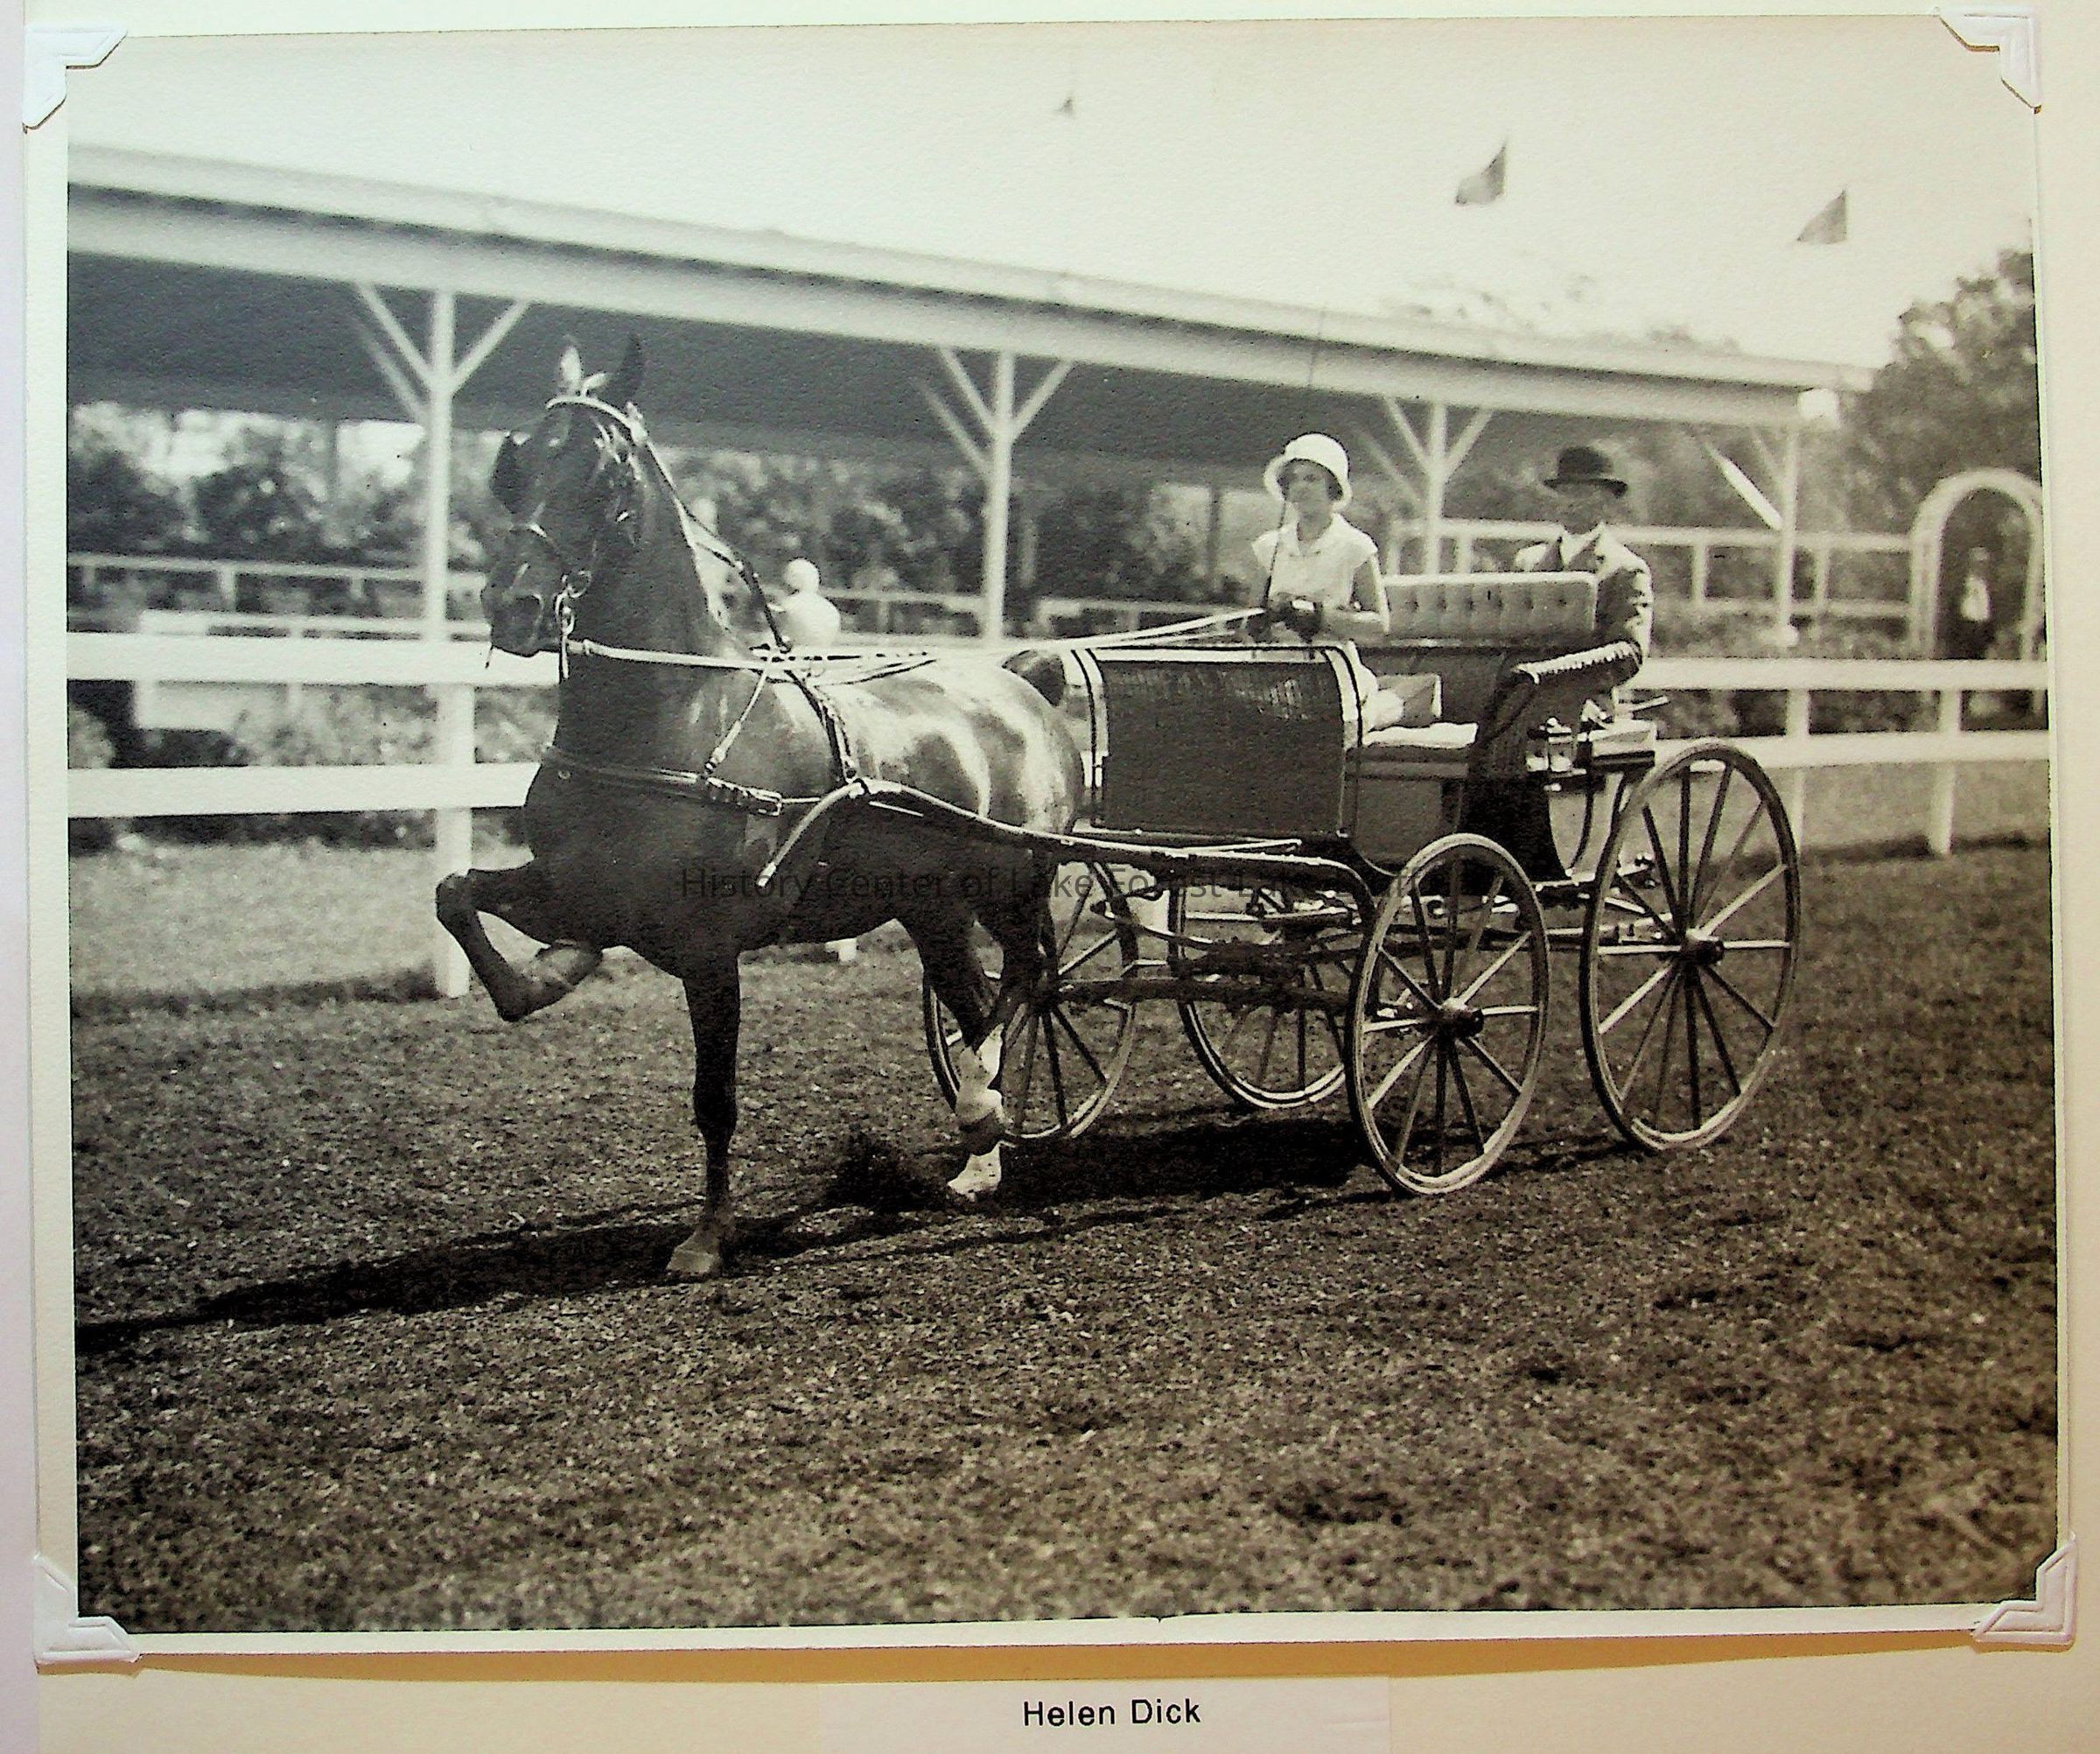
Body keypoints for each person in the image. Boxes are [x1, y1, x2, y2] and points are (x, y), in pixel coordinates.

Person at [1250, 433, 1415, 732]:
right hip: (1275, 669)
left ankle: (1394, 701)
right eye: (1293, 479)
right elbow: (1250, 619)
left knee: (1338, 727)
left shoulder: (1356, 547)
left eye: (1312, 478)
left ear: (1333, 486)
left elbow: (1379, 626)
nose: (1301, 487)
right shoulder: (1269, 547)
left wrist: (1318, 616)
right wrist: (1266, 621)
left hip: (1332, 671)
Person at [1506, 443, 1655, 733]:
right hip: (1521, 700)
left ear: (1606, 501)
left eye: (1583, 493)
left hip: (1586, 706)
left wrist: (1567, 688)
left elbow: (1629, 653)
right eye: (1564, 492)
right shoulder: (1527, 563)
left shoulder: (1625, 570)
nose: (1571, 502)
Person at [1954, 546, 1995, 661]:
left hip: (1983, 625)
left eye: (1984, 564)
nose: (1981, 567)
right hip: (1967, 624)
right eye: (1978, 563)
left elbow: (1989, 607)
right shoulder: (1964, 583)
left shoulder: (1987, 585)